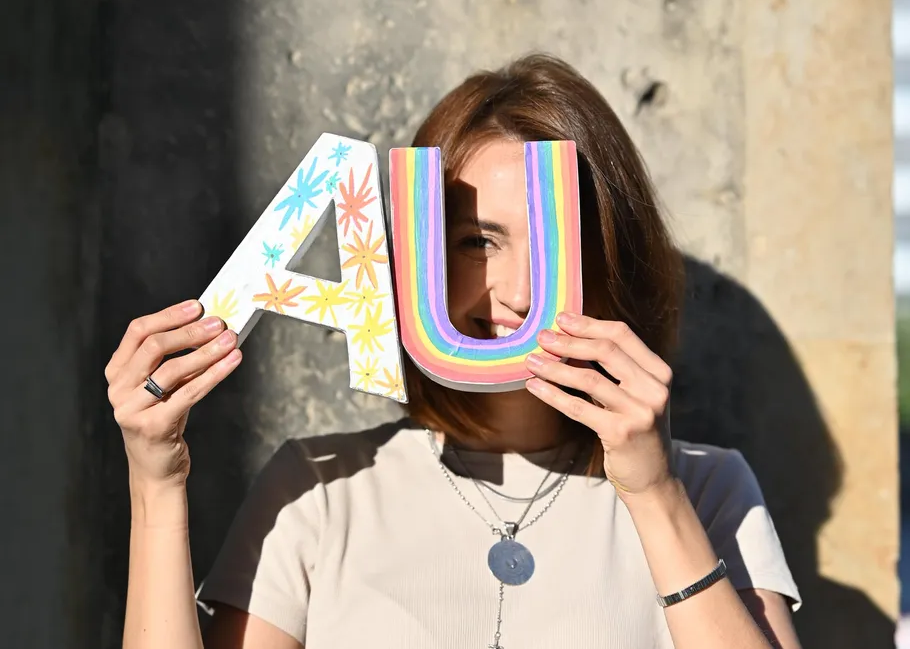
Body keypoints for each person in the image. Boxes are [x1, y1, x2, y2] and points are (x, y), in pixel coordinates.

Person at [106, 54, 802, 649]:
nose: (523, 292)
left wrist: (654, 496)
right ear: (417, 253)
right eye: (479, 241)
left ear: (614, 256)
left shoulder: (708, 488)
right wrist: (155, 484)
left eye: (559, 243)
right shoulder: (318, 490)